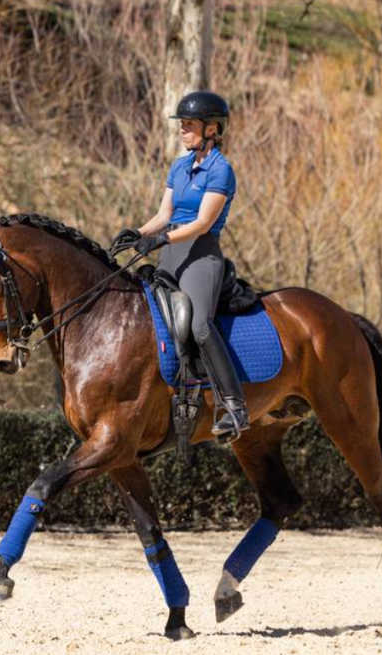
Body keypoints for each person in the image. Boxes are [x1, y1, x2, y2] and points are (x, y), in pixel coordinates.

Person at [111, 91, 250, 439]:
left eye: (188, 125)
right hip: (171, 250)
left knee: (200, 324)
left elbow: (203, 223)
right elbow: (165, 215)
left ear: (212, 129)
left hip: (201, 254)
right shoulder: (179, 165)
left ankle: (234, 406)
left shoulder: (222, 170)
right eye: (182, 125)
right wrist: (138, 232)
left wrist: (161, 240)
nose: (182, 131)